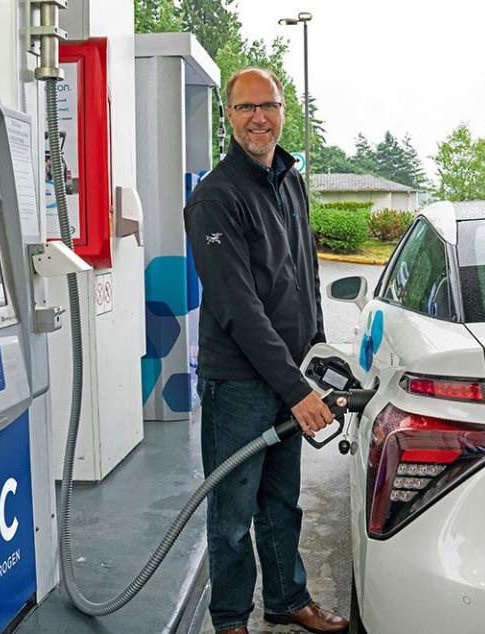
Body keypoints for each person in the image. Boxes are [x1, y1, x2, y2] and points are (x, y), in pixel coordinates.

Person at [184, 68, 349, 634]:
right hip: (240, 384)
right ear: (228, 118)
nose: (259, 117)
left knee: (281, 501)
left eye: (269, 106)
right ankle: (231, 620)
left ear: (284, 111)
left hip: (290, 374)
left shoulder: (290, 181)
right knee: (232, 512)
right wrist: (296, 388)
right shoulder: (215, 198)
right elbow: (238, 308)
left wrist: (318, 354)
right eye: (246, 107)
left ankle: (286, 599)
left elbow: (305, 273)